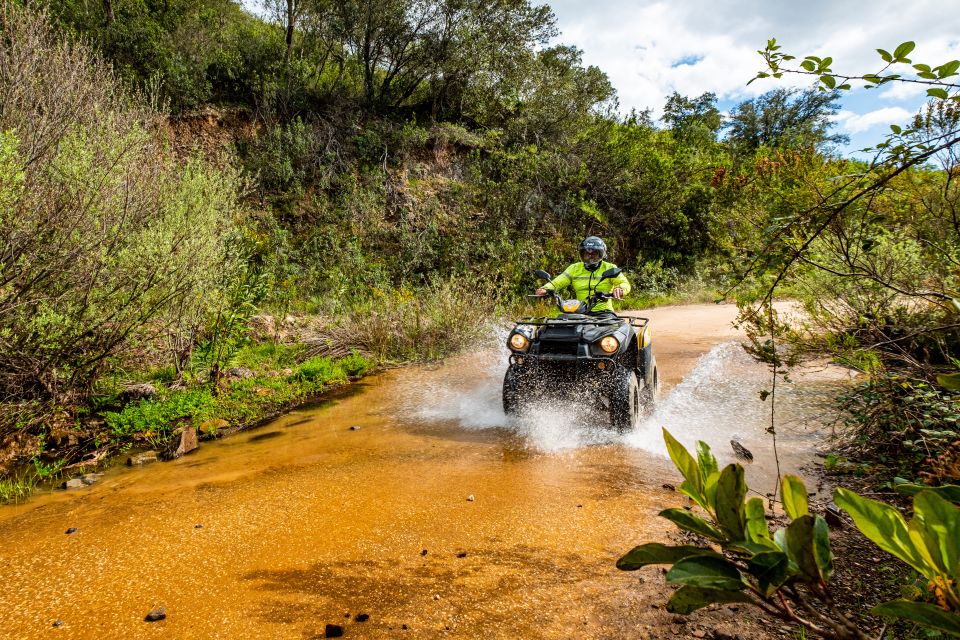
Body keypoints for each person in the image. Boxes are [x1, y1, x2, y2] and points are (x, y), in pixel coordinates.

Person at [535, 236, 631, 315]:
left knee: (612, 335)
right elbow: (558, 282)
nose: (590, 256)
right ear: (582, 254)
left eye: (594, 253)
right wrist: (545, 288)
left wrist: (620, 289)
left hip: (603, 312)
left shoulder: (609, 268)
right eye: (587, 253)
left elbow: (624, 283)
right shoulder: (575, 268)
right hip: (579, 311)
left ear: (601, 254)